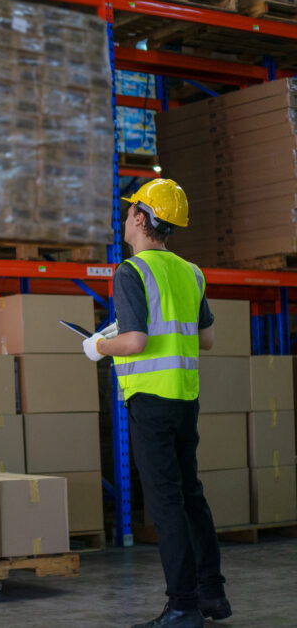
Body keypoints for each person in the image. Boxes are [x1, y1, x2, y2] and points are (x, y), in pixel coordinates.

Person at [83, 179, 230, 628]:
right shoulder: (191, 271)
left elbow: (137, 340)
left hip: (149, 401)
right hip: (185, 398)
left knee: (165, 505)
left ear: (143, 219)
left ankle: (182, 606)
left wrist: (99, 347)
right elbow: (205, 338)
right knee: (191, 496)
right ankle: (212, 595)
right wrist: (121, 331)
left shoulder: (131, 272)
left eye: (131, 212)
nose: (125, 218)